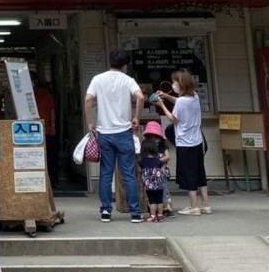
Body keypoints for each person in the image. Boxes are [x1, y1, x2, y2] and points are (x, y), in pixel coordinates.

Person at [84, 49, 145, 223]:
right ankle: (135, 212)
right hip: (124, 133)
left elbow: (88, 100)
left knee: (105, 173)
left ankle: (105, 211)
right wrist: (136, 118)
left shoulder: (98, 79)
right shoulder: (128, 80)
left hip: (104, 133)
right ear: (125, 66)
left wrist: (90, 122)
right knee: (128, 174)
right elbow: (140, 97)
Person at [156, 70, 210, 215]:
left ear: (181, 84)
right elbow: (180, 103)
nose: (173, 84)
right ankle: (205, 204)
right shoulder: (195, 97)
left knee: (189, 174)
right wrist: (167, 96)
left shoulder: (181, 101)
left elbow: (173, 119)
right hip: (197, 141)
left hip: (185, 143)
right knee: (200, 172)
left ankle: (194, 207)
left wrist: (162, 104)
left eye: (175, 82)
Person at [140, 122, 170, 223]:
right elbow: (162, 168)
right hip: (159, 181)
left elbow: (139, 167)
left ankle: (154, 215)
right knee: (160, 198)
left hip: (149, 184)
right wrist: (157, 164)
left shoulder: (144, 161)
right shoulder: (157, 161)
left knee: (154, 199)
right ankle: (160, 215)